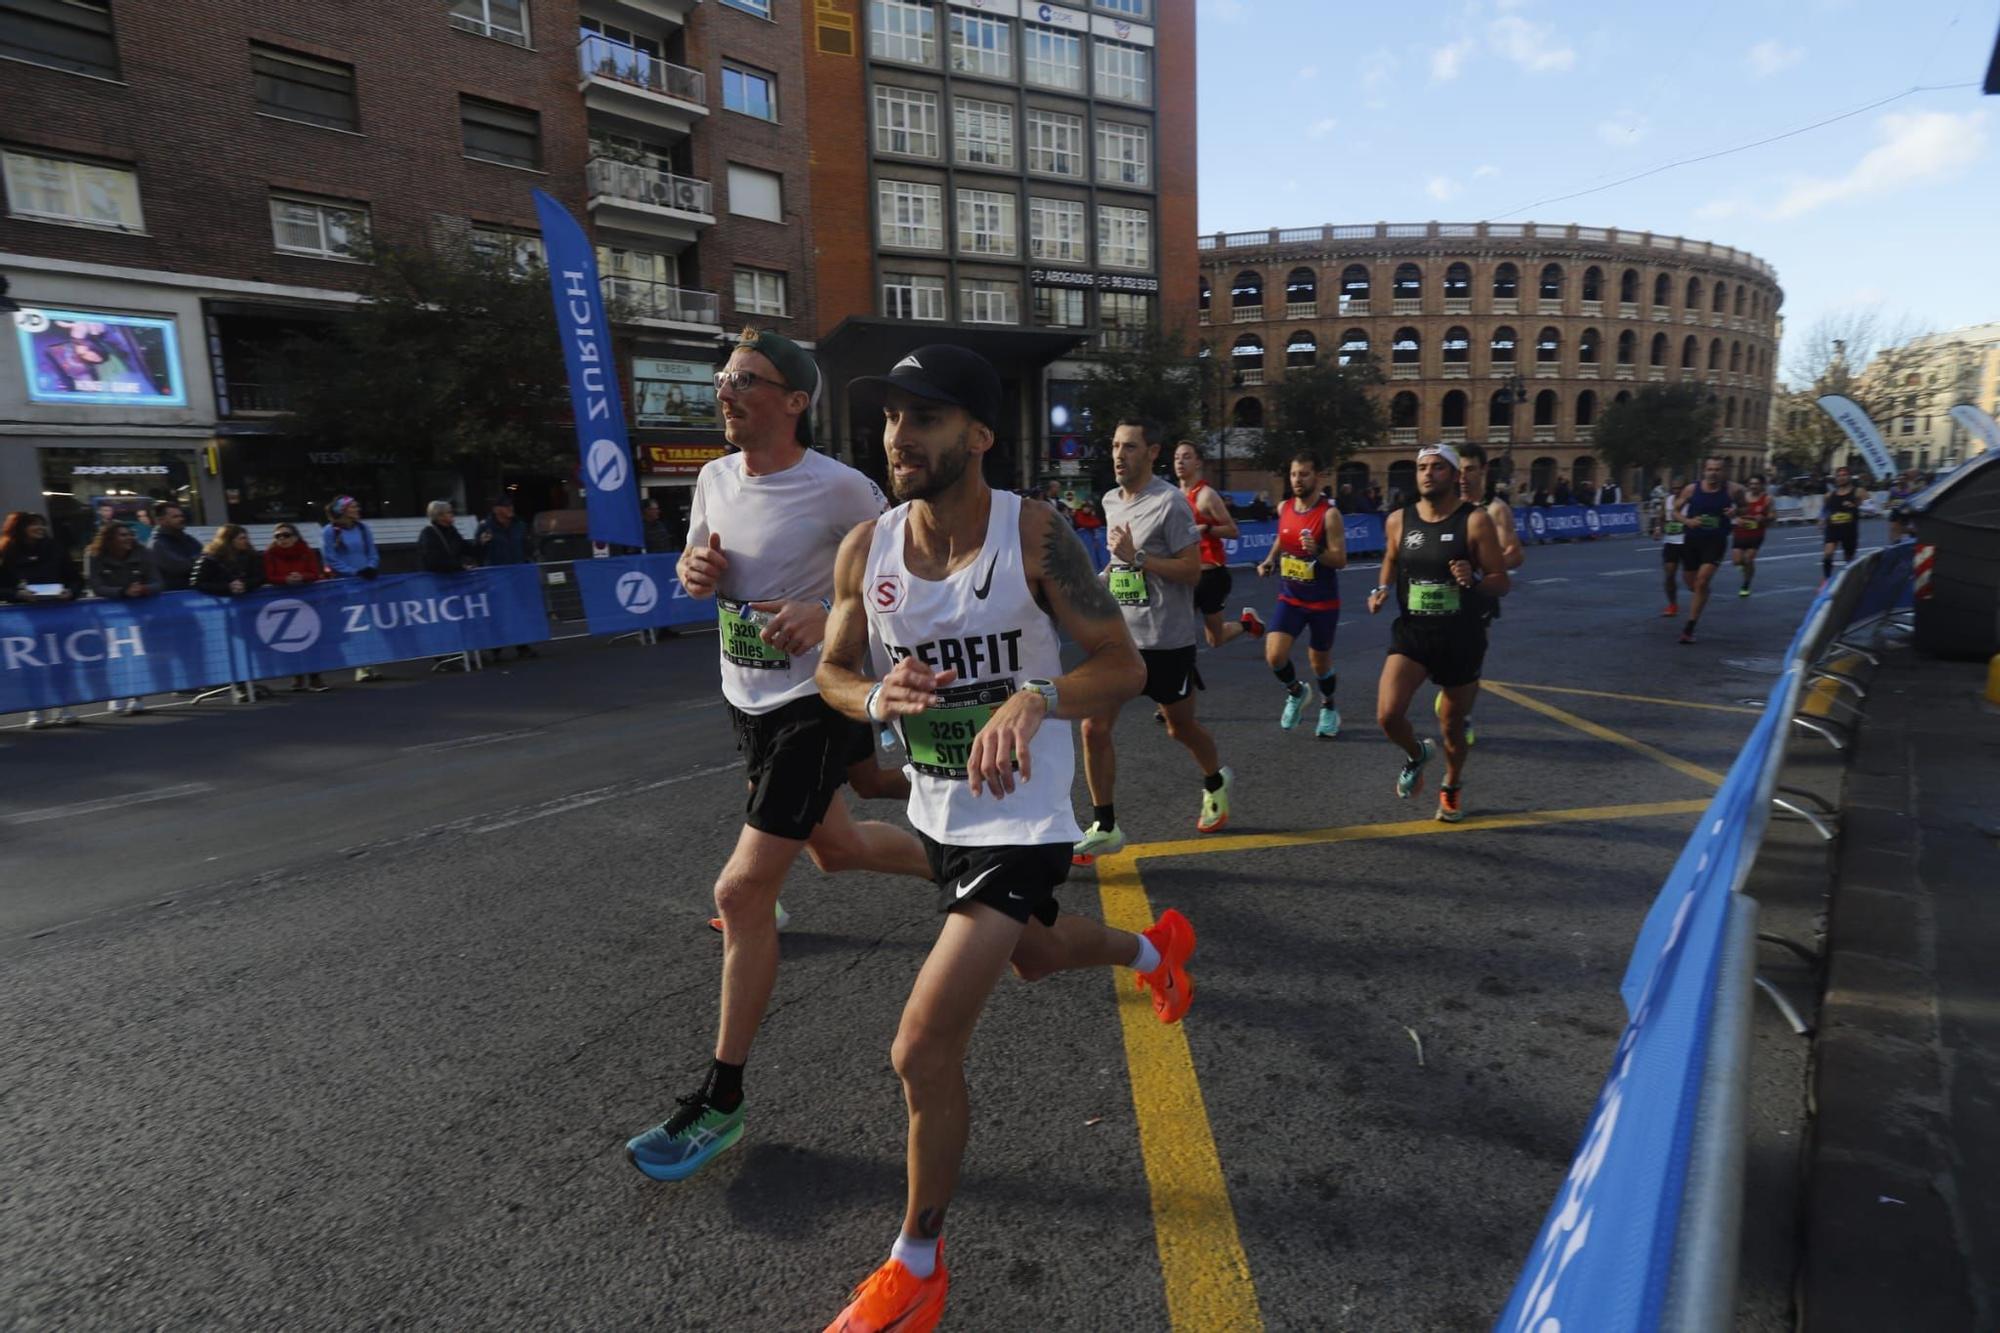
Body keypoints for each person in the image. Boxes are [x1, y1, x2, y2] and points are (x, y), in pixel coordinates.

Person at [815, 343, 1196, 1330]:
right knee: (1035, 956)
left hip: (1024, 818)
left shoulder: (1034, 539)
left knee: (919, 1045)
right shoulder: (867, 549)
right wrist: (870, 693)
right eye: (891, 416)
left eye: (924, 417)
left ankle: (917, 1261)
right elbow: (830, 671)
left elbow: (1122, 668)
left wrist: (1036, 697)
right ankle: (1155, 948)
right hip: (937, 810)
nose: (898, 435)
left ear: (977, 436)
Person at [623, 328, 934, 1184]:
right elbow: (701, 568)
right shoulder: (714, 476)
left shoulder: (841, 487)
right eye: (724, 377)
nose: (725, 391)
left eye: (746, 380)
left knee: (741, 889)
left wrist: (826, 615)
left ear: (794, 400)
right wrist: (695, 571)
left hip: (814, 702)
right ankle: (966, 861)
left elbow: (906, 578)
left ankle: (721, 1098)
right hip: (746, 699)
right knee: (838, 848)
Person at [1070, 419, 1236, 863]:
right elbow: (1118, 563)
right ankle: (1105, 825)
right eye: (1115, 446)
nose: (1119, 456)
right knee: (1093, 727)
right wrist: (1096, 582)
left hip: (1166, 641)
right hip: (1120, 641)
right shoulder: (1110, 500)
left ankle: (1216, 779)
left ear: (1151, 452)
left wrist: (1139, 559)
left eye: (1129, 447)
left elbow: (1191, 570)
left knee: (1180, 727)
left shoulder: (1170, 504)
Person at [1367, 444, 1513, 822]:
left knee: (1452, 726)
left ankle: (1451, 783)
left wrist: (1476, 579)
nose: (1428, 474)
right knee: (1387, 714)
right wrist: (1380, 588)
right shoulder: (1399, 520)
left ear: (1453, 475)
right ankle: (1417, 753)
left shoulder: (1475, 520)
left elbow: (1501, 581)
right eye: (1422, 468)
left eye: (1437, 468)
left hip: (1461, 636)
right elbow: (1391, 557)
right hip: (1413, 632)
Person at [1432, 443, 1525, 747]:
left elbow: (1514, 553)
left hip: (1479, 596)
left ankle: (1464, 715)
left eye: (1471, 469)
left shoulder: (1496, 509)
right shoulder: (1448, 504)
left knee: (1471, 659)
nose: (1464, 476)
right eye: (1460, 470)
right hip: (1444, 594)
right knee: (1441, 653)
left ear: (1484, 470)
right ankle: (1451, 695)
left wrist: (1484, 568)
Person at [1254, 452, 1346, 739]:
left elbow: (1340, 559)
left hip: (1323, 602)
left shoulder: (1329, 515)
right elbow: (1283, 535)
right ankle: (1296, 692)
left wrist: (1316, 550)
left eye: (1304, 474)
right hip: (1290, 597)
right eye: (1294, 474)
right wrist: (1270, 558)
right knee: (1274, 655)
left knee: (1320, 662)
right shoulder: (1285, 507)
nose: (1297, 479)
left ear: (1317, 477)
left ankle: (1328, 707)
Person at [1173, 439, 1263, 649]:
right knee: (1175, 631)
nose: (1180, 462)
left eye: (1186, 457)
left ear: (1198, 463)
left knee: (1215, 639)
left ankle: (1247, 624)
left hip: (1210, 576)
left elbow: (1233, 531)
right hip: (1185, 574)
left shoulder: (1207, 496)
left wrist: (1207, 529)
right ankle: (1183, 678)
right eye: (1177, 458)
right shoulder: (1174, 497)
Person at [2, 511, 84, 728]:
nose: (40, 528)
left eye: (41, 524)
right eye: (33, 525)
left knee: (60, 662)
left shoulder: (55, 548)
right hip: (25, 617)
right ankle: (37, 709)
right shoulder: (6, 552)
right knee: (31, 665)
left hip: (57, 613)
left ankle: (64, 706)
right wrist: (17, 595)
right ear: (20, 528)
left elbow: (75, 579)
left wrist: (70, 592)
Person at [85, 521, 163, 715]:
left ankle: (137, 696)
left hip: (137, 611)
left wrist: (143, 589)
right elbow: (96, 586)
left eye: (130, 535)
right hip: (107, 612)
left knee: (136, 655)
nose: (128, 538)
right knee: (112, 656)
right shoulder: (94, 555)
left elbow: (158, 582)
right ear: (110, 538)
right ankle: (116, 694)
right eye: (122, 535)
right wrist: (122, 591)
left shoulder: (143, 552)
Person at [193, 525, 271, 702]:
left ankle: (248, 682)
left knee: (250, 647)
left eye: (246, 538)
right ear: (229, 540)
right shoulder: (211, 558)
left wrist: (246, 585)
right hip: (222, 610)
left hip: (247, 607)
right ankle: (238, 684)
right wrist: (226, 588)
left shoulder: (252, 556)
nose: (245, 541)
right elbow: (198, 582)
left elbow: (261, 576)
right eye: (241, 538)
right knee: (230, 647)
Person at [1672, 457, 1743, 644]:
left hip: (1716, 541)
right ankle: (1702, 593)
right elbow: (1675, 511)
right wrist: (1688, 521)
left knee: (1702, 581)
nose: (1713, 472)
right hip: (1692, 540)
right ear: (1704, 470)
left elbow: (1744, 508)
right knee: (1691, 583)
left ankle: (1689, 628)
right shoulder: (1691, 489)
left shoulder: (1733, 490)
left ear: (1724, 472)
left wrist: (1735, 513)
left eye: (1718, 469)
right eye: (1710, 469)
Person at [321, 496, 384, 682]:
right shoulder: (329, 531)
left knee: (372, 623)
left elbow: (372, 552)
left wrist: (371, 567)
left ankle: (373, 662)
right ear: (342, 510)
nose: (357, 508)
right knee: (355, 625)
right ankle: (361, 665)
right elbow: (331, 558)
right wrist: (354, 572)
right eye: (353, 506)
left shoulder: (363, 529)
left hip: (366, 581)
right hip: (346, 585)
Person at [263, 522, 329, 692]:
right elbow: (269, 576)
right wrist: (285, 579)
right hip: (283, 600)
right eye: (278, 536)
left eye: (286, 535)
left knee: (312, 638)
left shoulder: (306, 551)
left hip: (307, 599)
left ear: (295, 537)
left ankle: (315, 677)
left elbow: (315, 573)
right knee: (290, 639)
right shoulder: (270, 553)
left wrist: (302, 576)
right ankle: (297, 676)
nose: (282, 539)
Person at [475, 495, 541, 660]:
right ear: (496, 509)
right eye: (505, 506)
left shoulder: (519, 524)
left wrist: (529, 560)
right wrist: (481, 544)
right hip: (496, 576)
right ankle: (496, 648)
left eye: (511, 505)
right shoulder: (486, 527)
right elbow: (477, 551)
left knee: (519, 610)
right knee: (498, 611)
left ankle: (522, 645)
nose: (510, 508)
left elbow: (528, 545)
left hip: (518, 574)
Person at [1821, 465, 1868, 583]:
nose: (1841, 478)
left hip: (1849, 529)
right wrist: (1821, 520)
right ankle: (1827, 580)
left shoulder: (1858, 492)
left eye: (1844, 475)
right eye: (1839, 475)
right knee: (1827, 555)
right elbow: (1825, 510)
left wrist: (1856, 506)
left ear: (1849, 477)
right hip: (1833, 529)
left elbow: (1872, 508)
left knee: (1849, 559)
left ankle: (1851, 581)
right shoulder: (1829, 495)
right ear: (1835, 478)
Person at [1732, 473, 1775, 597]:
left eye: (1756, 484)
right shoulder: (1742, 497)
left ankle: (1746, 584)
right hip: (1740, 532)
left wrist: (1764, 517)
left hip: (1756, 533)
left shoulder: (1767, 499)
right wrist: (1736, 518)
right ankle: (1746, 568)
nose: (1753, 486)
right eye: (1751, 484)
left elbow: (1773, 516)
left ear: (1762, 485)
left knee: (1748, 559)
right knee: (1737, 561)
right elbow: (1734, 511)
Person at [147, 502, 201, 590]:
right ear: (160, 520)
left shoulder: (188, 539)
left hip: (194, 592)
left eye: (181, 516)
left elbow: (207, 557)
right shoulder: (157, 543)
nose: (181, 519)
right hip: (173, 595)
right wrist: (200, 560)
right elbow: (179, 567)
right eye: (175, 517)